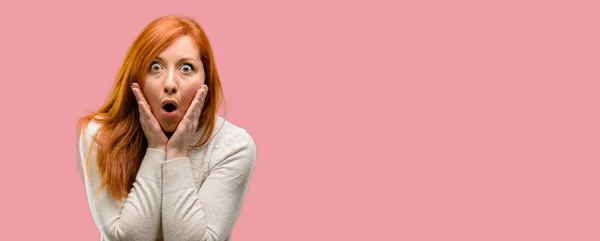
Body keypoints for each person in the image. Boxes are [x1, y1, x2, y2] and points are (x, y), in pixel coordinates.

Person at [76, 15, 257, 241]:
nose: (170, 84)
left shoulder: (234, 145)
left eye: (186, 68)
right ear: (136, 77)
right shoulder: (100, 135)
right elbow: (125, 238)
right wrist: (156, 149)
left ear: (206, 82)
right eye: (155, 66)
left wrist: (177, 154)